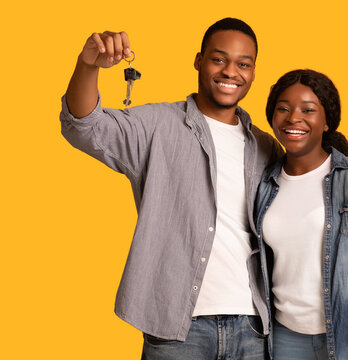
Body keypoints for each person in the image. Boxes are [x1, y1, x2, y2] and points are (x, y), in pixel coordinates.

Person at [60, 18, 284, 359]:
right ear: (198, 60)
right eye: (218, 59)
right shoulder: (158, 125)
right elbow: (84, 127)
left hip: (253, 328)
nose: (230, 72)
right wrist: (88, 65)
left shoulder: (266, 148)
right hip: (178, 331)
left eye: (243, 64)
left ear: (253, 72)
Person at [254, 69, 348, 360]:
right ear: (272, 117)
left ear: (326, 122)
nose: (294, 118)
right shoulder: (263, 185)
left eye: (308, 110)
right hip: (286, 340)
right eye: (283, 108)